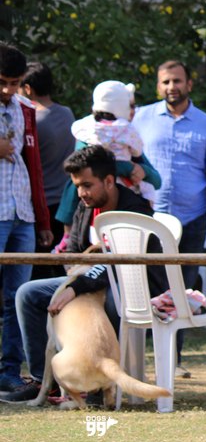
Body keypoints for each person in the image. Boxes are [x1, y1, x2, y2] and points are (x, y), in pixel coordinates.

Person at [1, 145, 165, 403]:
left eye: (87, 185)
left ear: (109, 181)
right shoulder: (85, 206)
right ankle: (46, 382)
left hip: (135, 287)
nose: (81, 193)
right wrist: (74, 283)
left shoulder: (135, 210)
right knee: (28, 293)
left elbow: (119, 264)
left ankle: (101, 388)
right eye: (77, 185)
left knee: (112, 300)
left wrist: (75, 288)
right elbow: (76, 253)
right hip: (90, 282)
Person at [134, 60, 206, 377]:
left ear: (189, 84)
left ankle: (173, 361)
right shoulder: (141, 118)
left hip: (192, 220)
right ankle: (142, 360)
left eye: (177, 81)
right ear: (158, 86)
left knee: (183, 290)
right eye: (165, 82)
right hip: (150, 219)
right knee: (146, 287)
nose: (171, 87)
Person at [0, 43, 53, 393]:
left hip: (22, 213)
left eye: (16, 83)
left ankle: (9, 373)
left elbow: (34, 166)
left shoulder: (25, 108)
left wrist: (44, 219)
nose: (8, 90)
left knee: (16, 297)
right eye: (2, 82)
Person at [18, 61, 75, 278]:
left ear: (28, 89)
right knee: (63, 266)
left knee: (38, 269)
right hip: (65, 203)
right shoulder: (67, 113)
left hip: (41, 206)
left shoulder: (34, 121)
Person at [71, 81, 156, 204]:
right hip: (123, 191)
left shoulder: (88, 128)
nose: (133, 111)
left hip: (98, 195)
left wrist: (144, 170)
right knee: (148, 191)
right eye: (129, 106)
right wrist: (130, 167)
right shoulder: (126, 129)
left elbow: (156, 178)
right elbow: (138, 152)